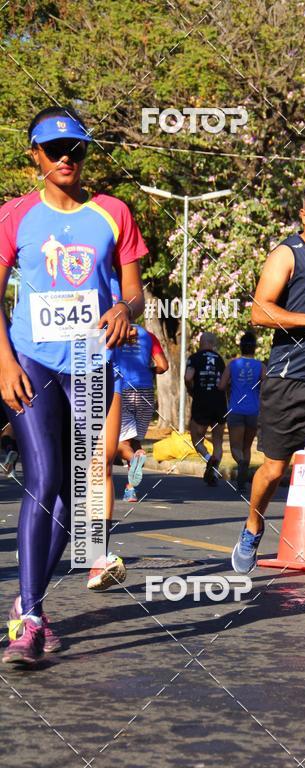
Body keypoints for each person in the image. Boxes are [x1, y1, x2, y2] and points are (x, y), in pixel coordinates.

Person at [0, 105, 147, 664]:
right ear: (34, 154)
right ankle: (32, 619)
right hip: (31, 360)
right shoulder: (14, 216)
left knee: (76, 493)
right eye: (54, 149)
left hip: (88, 362)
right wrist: (4, 364)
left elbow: (134, 292)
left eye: (77, 149)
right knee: (43, 473)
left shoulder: (112, 213)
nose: (67, 157)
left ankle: (27, 603)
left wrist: (123, 310)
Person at [231, 180, 305, 579]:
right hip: (288, 380)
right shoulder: (288, 253)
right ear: (304, 216)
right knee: (273, 470)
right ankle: (253, 527)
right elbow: (260, 312)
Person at [113, 323, 168, 502]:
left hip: (123, 390)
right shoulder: (149, 336)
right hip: (145, 391)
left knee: (121, 444)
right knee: (135, 442)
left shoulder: (113, 332)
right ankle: (130, 490)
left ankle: (134, 460)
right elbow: (163, 365)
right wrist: (147, 370)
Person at [218, 330, 265, 491]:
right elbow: (268, 387)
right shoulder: (260, 366)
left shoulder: (233, 364)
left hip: (236, 409)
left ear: (241, 347)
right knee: (246, 447)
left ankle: (241, 463)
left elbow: (222, 385)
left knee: (235, 448)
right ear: (255, 348)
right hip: (253, 410)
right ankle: (242, 483)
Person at [185, 332, 227, 486]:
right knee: (218, 441)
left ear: (201, 343)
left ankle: (209, 459)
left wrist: (191, 390)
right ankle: (214, 474)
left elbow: (188, 377)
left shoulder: (194, 358)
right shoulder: (220, 360)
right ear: (213, 343)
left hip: (202, 401)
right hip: (219, 403)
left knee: (196, 440)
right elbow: (225, 382)